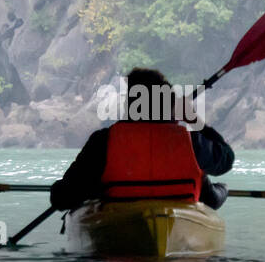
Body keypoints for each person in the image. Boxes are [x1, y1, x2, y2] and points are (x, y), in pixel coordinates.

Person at [50, 68, 233, 211]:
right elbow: (226, 159)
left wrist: (87, 188)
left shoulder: (103, 142)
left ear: (130, 105)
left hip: (119, 216)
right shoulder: (191, 142)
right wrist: (194, 120)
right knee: (215, 188)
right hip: (180, 213)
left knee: (93, 183)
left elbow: (61, 199)